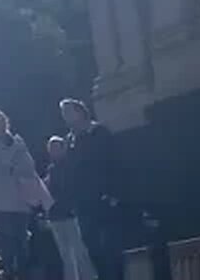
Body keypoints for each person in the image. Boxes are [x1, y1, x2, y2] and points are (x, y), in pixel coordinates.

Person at [59, 99, 123, 280]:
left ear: (80, 112)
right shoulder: (69, 140)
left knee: (110, 245)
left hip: (103, 197)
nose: (66, 117)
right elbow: (68, 171)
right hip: (82, 203)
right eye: (64, 114)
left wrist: (113, 192)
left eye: (69, 112)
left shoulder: (99, 132)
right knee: (91, 245)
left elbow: (111, 162)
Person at [0, 110, 47, 277]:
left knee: (22, 243)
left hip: (20, 201)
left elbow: (28, 165)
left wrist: (15, 163)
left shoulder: (17, 140)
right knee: (6, 244)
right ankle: (8, 275)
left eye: (2, 120)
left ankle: (23, 274)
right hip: (1, 203)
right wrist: (14, 155)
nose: (0, 124)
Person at [45, 136, 96, 280]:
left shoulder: (72, 166)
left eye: (56, 148)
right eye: (51, 149)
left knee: (79, 250)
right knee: (65, 254)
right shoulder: (51, 169)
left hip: (71, 213)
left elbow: (75, 188)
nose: (53, 151)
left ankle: (89, 277)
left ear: (63, 148)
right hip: (56, 216)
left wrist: (73, 205)